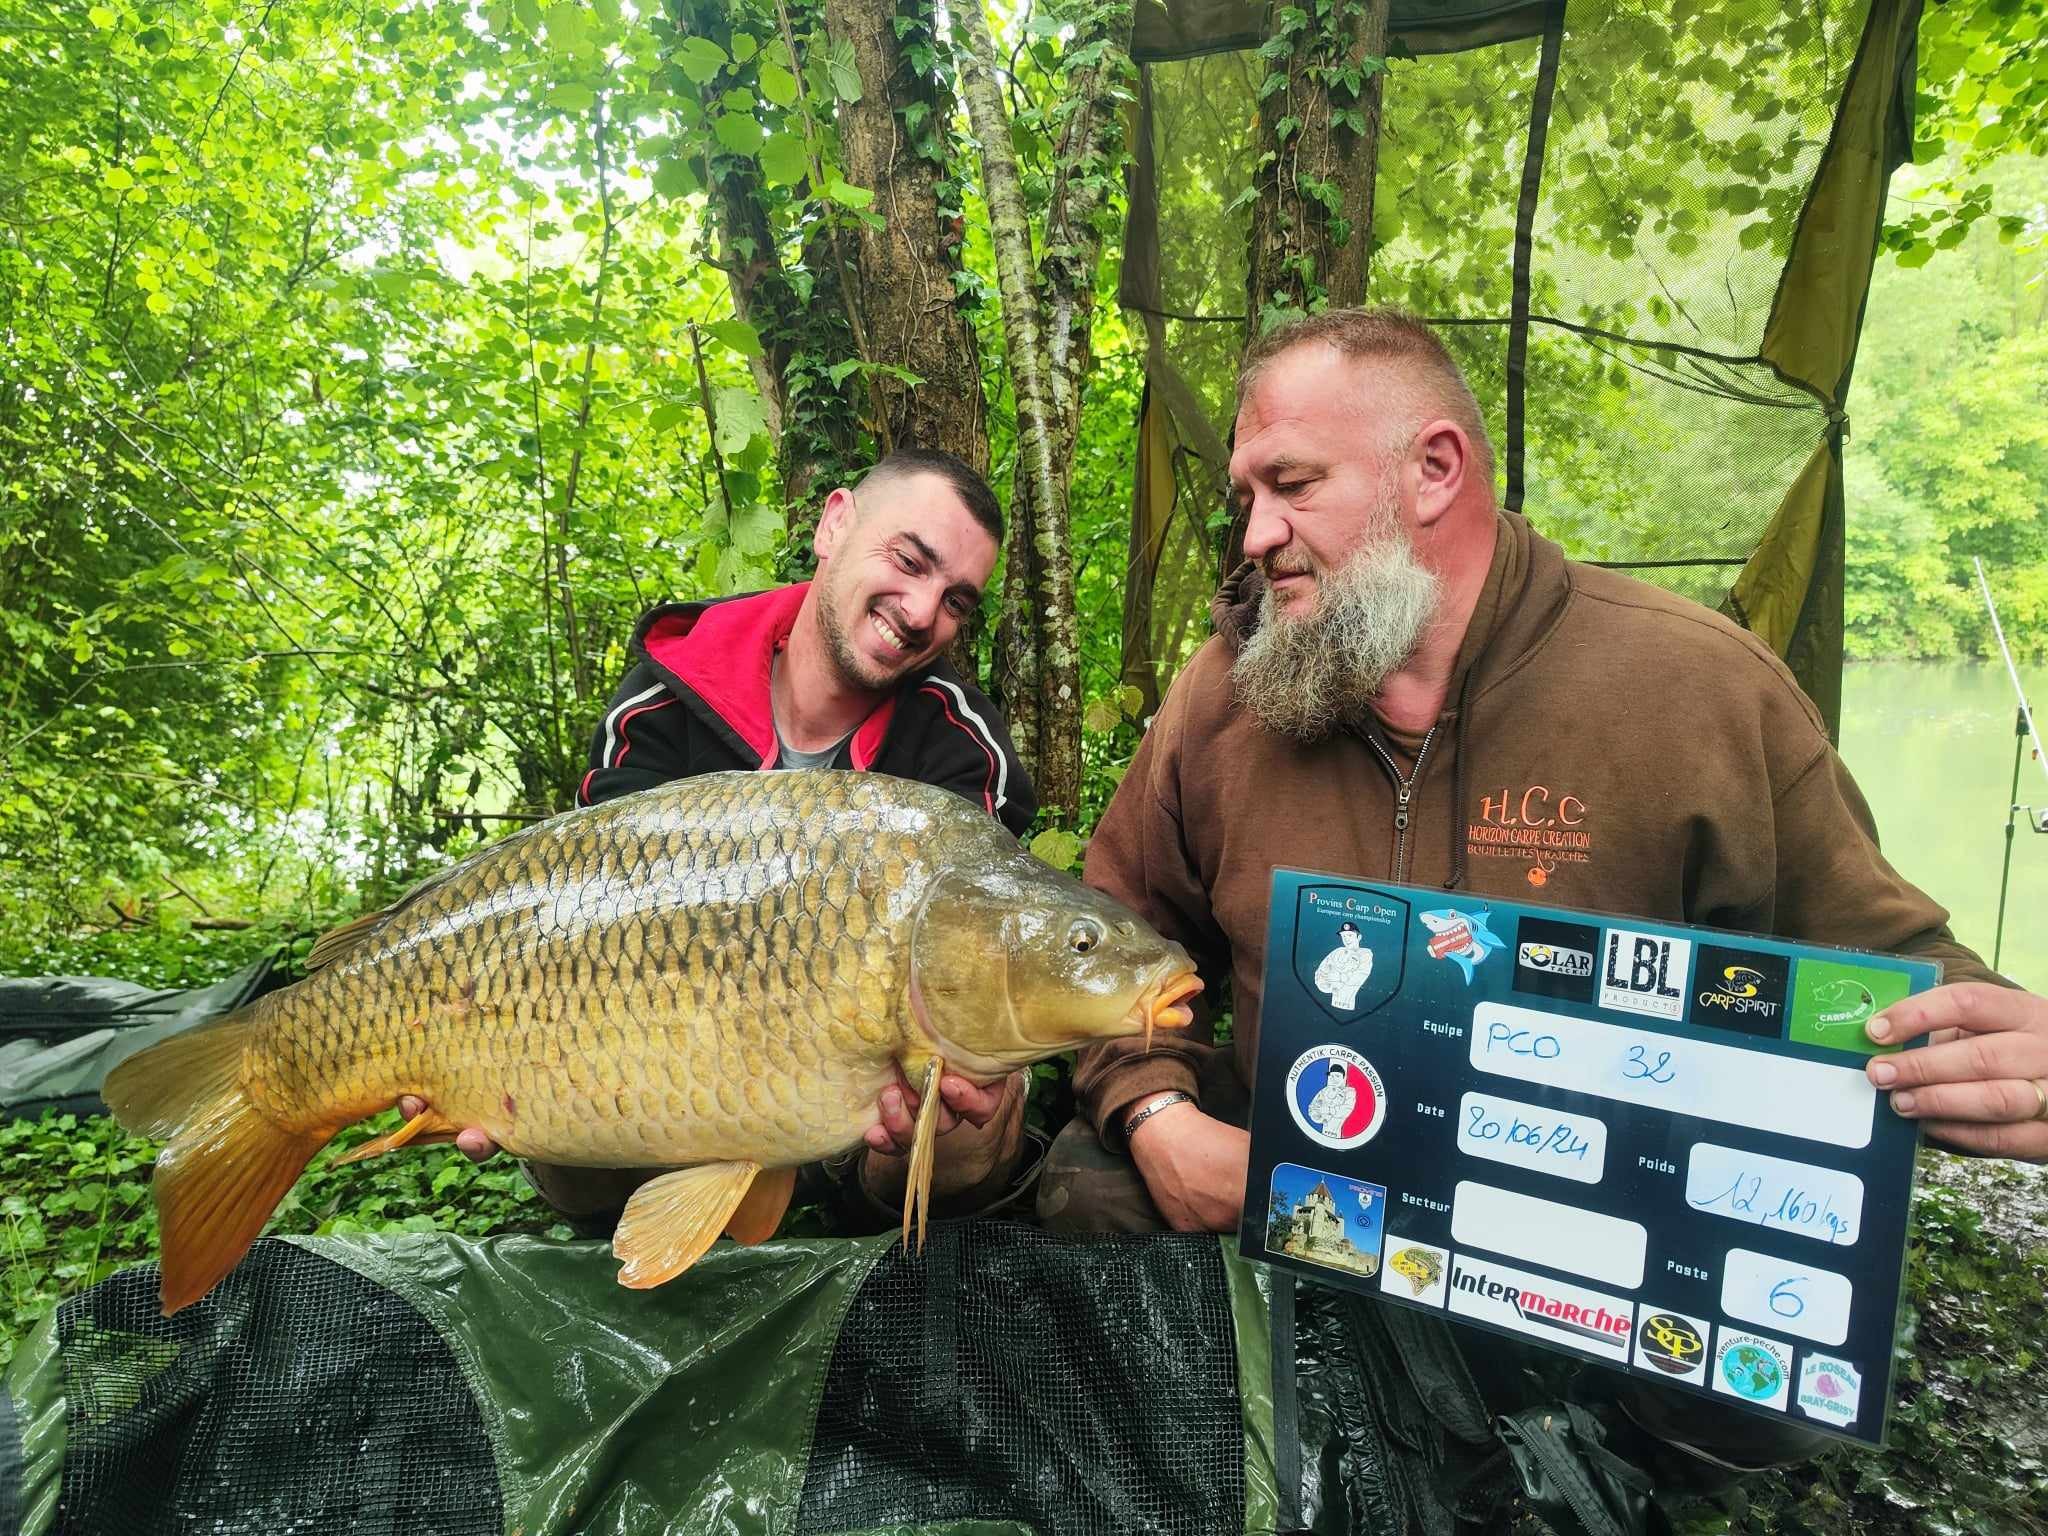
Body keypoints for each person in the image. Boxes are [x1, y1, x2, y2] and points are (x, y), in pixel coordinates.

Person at [1036, 307, 2048, 1512]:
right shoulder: (1231, 691)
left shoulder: (1695, 688)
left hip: (1579, 1248)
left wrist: (1997, 1051)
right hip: (1306, 1196)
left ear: (1432, 471)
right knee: (1085, 1185)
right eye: (1246, 492)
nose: (1254, 534)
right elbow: (1104, 918)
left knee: (1773, 1353)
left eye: (1290, 484)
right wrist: (1154, 1111)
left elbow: (1894, 968)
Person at [407, 449, 1040, 1233]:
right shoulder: (666, 693)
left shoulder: (961, 746)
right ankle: (668, 1228)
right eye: (909, 562)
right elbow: (575, 916)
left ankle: (866, 1251)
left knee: (978, 1108)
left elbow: (970, 953)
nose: (920, 611)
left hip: (860, 1113)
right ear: (835, 522)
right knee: (558, 1133)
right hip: (668, 1070)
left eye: (956, 601)